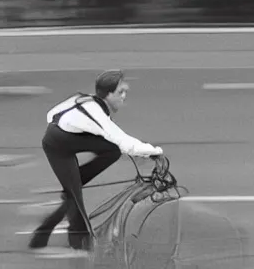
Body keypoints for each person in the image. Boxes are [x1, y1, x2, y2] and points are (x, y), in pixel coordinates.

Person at [28, 69, 163, 255]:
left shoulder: (89, 101)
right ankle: (78, 247)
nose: (124, 96)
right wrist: (154, 152)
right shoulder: (95, 112)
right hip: (57, 146)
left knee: (111, 151)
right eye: (120, 92)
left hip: (65, 137)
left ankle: (74, 182)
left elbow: (52, 114)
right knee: (75, 198)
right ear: (107, 94)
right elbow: (122, 140)